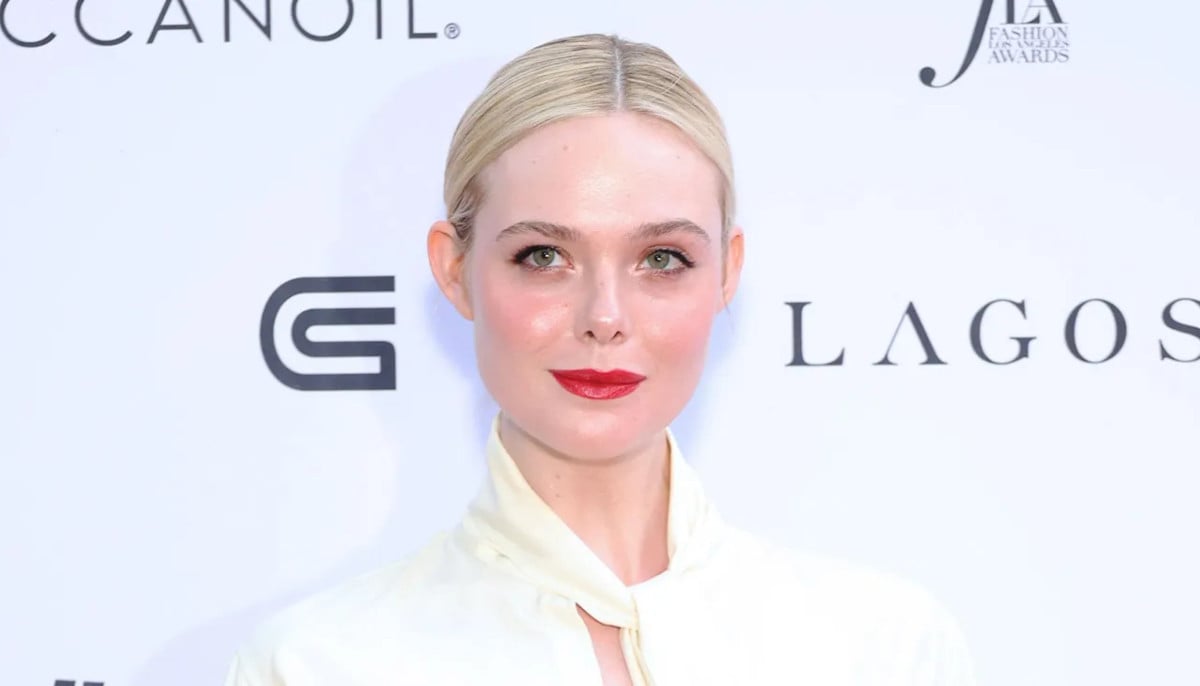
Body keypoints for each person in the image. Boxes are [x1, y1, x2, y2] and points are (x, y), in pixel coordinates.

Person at [223, 33, 976, 685]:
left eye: (662, 258)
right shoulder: (317, 665)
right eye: (544, 256)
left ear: (727, 273)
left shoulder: (885, 649)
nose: (605, 318)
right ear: (454, 270)